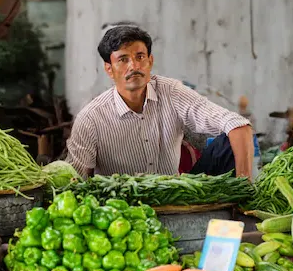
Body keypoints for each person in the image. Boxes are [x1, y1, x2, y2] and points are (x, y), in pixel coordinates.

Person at [66, 22, 254, 179]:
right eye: (123, 59)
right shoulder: (91, 118)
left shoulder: (172, 92)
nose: (134, 66)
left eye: (140, 57)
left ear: (150, 61)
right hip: (123, 207)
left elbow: (239, 125)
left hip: (176, 195)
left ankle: (229, 211)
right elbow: (75, 180)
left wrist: (244, 185)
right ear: (109, 69)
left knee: (228, 142)